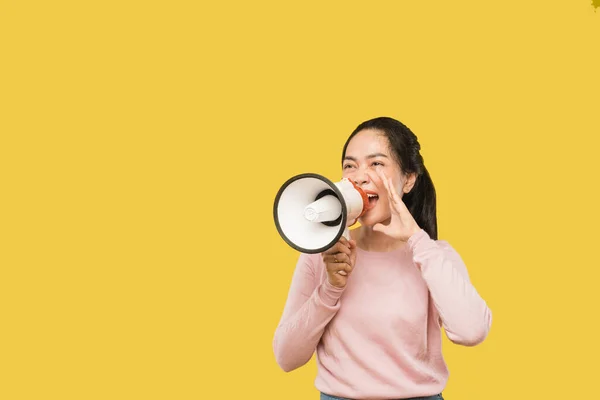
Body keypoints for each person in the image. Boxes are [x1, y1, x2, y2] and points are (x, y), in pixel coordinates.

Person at [272, 117, 492, 400]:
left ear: (409, 179)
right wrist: (330, 289)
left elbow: (472, 330)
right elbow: (286, 357)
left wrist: (418, 241)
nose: (360, 176)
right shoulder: (322, 256)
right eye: (350, 166)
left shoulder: (434, 256)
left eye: (376, 163)